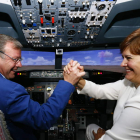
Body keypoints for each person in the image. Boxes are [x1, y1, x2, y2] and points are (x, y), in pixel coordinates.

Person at [0, 34, 85, 140]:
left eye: (20, 59)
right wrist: (68, 82)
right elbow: (44, 119)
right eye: (15, 59)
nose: (20, 65)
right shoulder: (10, 91)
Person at [63, 28, 140, 140]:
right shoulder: (129, 83)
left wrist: (100, 138)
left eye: (128, 58)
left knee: (90, 128)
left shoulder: (138, 104)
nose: (122, 64)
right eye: (123, 57)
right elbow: (100, 91)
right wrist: (77, 78)